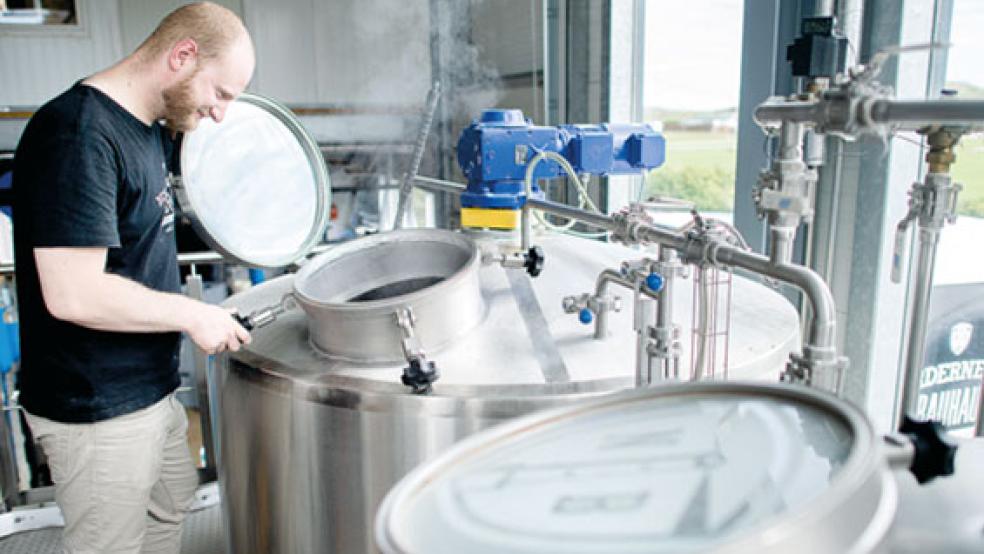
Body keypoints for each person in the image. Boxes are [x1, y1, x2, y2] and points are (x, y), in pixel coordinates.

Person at [11, 3, 255, 552]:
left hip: (151, 390)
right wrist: (194, 313)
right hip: (98, 409)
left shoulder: (150, 129)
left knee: (168, 516)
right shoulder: (78, 137)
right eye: (220, 94)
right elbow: (74, 292)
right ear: (183, 56)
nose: (219, 113)